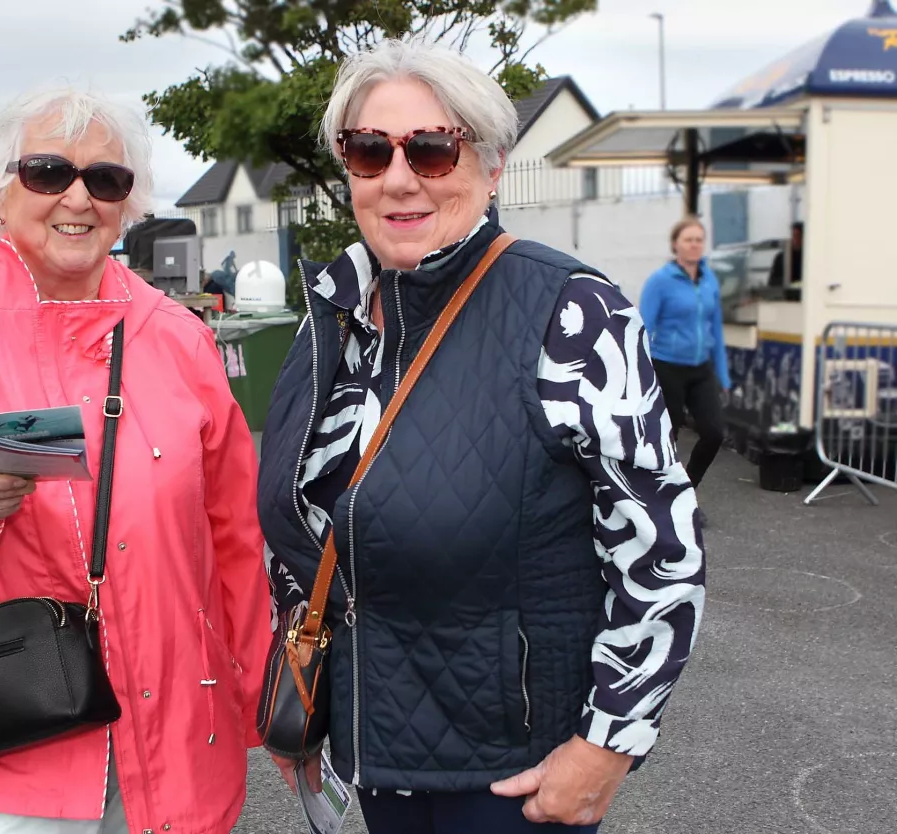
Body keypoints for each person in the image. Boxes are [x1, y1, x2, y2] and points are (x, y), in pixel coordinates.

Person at [257, 41, 706, 833]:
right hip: (374, 749)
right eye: (369, 150)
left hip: (512, 776)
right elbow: (300, 521)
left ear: (492, 167)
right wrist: (301, 675)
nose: (398, 177)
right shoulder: (332, 318)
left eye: (431, 149)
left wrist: (606, 746)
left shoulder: (570, 313)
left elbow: (662, 553)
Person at [0, 87, 271, 834]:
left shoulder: (177, 335)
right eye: (48, 173)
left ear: (127, 204)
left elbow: (235, 537)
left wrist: (266, 698)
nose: (78, 197)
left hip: (178, 728)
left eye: (105, 180)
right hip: (18, 731)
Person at [639, 216, 730, 503]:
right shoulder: (660, 282)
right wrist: (640, 373)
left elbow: (715, 327)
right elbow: (644, 328)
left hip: (701, 368)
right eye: (688, 239)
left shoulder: (709, 280)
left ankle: (687, 490)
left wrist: (724, 376)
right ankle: (665, 500)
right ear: (676, 245)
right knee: (669, 437)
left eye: (699, 240)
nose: (694, 245)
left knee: (714, 433)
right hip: (668, 366)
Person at [768, 221, 803, 289]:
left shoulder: (808, 257)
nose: (795, 240)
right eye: (794, 236)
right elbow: (772, 282)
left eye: (798, 236)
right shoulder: (782, 257)